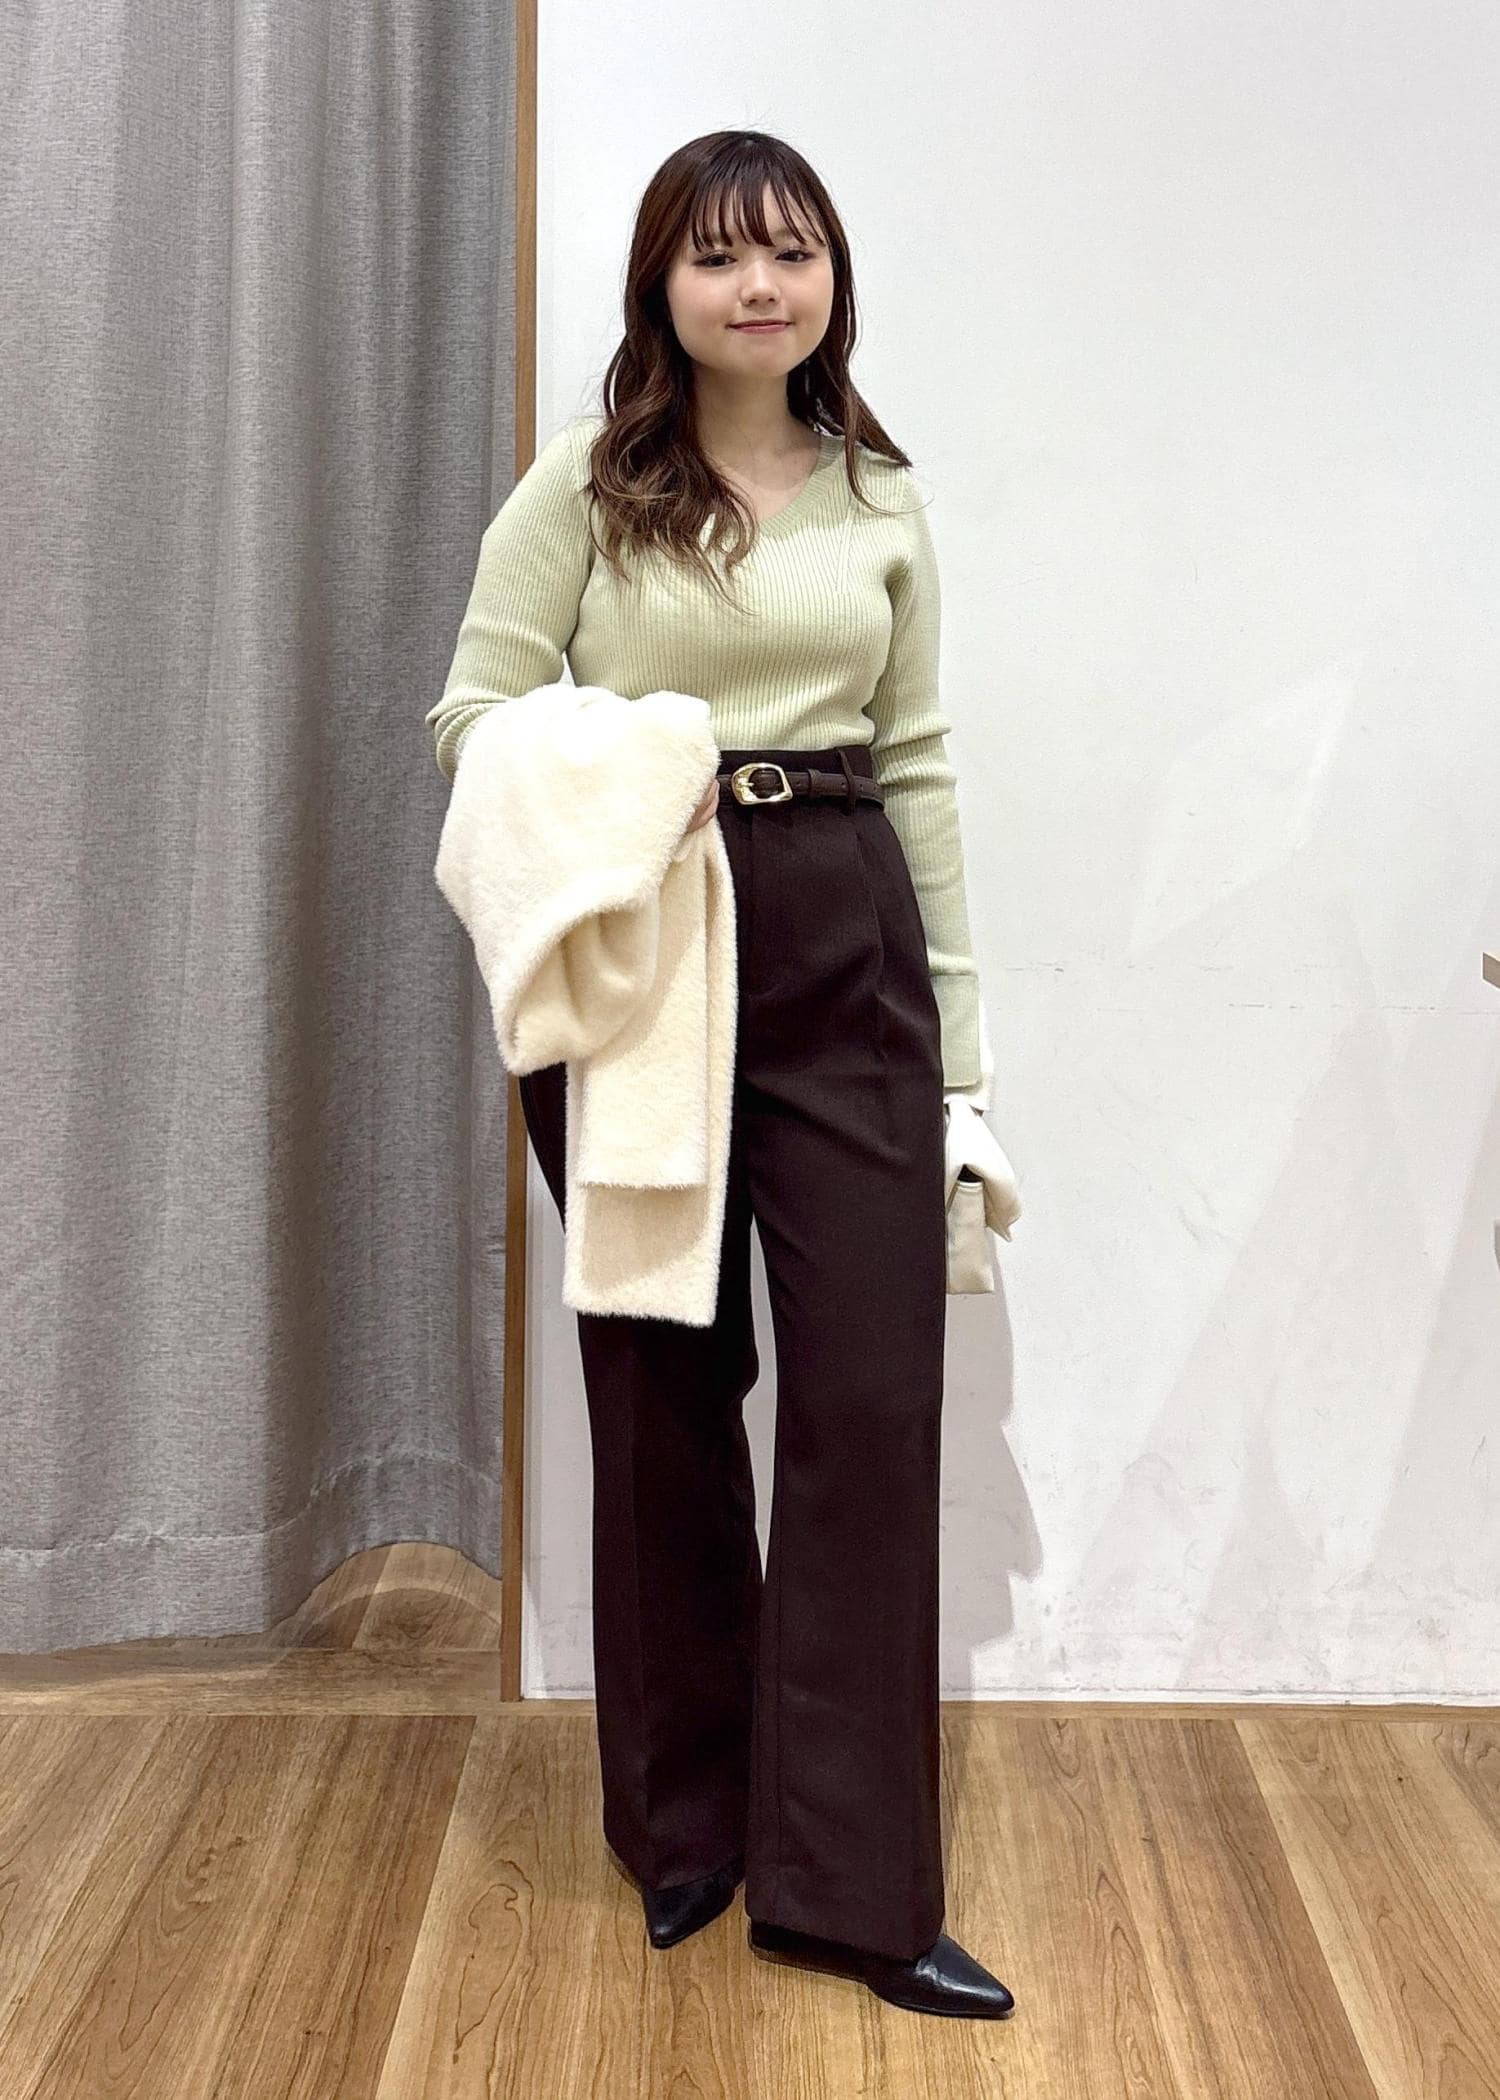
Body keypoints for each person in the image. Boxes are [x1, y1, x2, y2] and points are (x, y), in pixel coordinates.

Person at [426, 129, 1014, 2022]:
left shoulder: (880, 497)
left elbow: (917, 763)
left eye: (793, 251)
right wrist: (635, 776)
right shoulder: (588, 488)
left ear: (834, 278)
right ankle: (687, 1827)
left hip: (845, 933)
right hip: (649, 952)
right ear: (660, 285)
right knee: (664, 1394)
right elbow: (473, 713)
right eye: (718, 255)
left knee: (871, 1400)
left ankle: (851, 1888)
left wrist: (964, 1062)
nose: (760, 286)